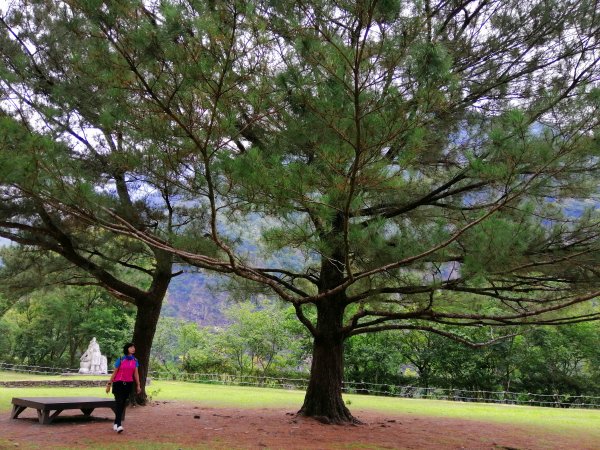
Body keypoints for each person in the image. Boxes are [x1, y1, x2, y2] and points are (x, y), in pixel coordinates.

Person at [105, 342, 141, 433]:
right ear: (127, 349)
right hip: (118, 383)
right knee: (119, 402)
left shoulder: (135, 361)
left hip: (129, 384)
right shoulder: (120, 359)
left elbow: (136, 374)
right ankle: (119, 425)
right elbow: (114, 373)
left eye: (134, 347)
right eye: (131, 347)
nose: (133, 348)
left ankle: (116, 423)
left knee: (123, 403)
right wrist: (109, 384)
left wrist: (138, 385)